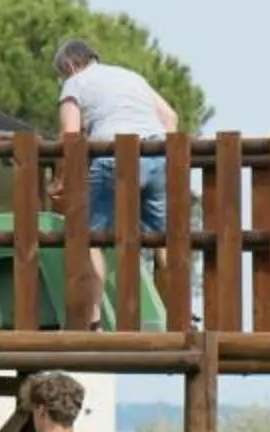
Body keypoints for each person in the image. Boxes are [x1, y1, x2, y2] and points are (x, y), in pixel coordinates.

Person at [53, 37, 178, 328]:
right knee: (164, 240)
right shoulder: (131, 76)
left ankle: (93, 320)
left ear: (70, 65)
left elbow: (69, 135)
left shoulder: (76, 82)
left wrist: (61, 179)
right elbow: (170, 118)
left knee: (89, 237)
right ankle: (180, 316)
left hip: (114, 159)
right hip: (157, 156)